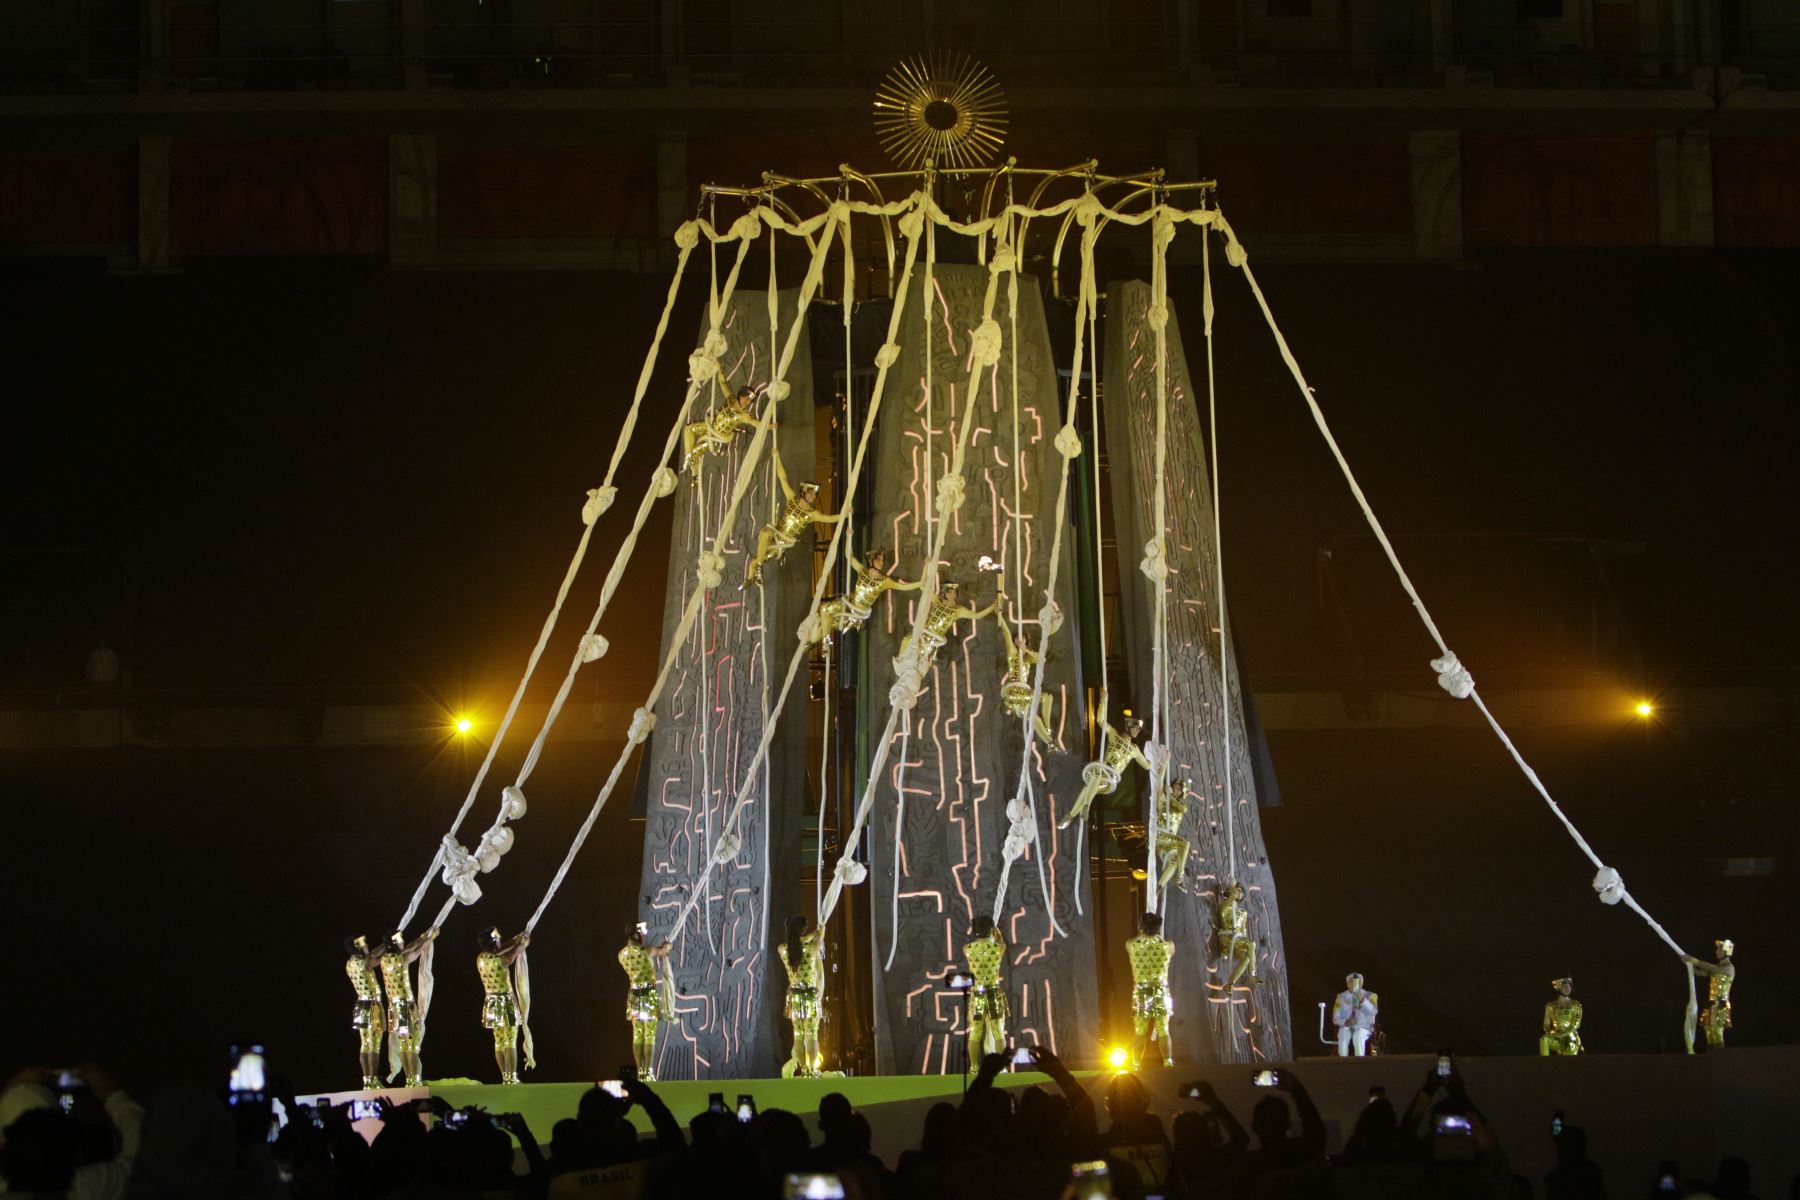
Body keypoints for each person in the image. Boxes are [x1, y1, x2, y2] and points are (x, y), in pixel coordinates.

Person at [741, 453, 843, 588]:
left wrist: (845, 514)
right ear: (804, 492)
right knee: (764, 534)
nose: (813, 496)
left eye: (815, 495)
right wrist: (776, 457)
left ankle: (753, 574)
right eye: (811, 493)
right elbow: (783, 478)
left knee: (753, 563)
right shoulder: (792, 500)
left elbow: (830, 519)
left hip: (782, 543)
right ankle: (756, 573)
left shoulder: (811, 514)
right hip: (775, 533)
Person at [808, 549, 921, 646]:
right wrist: (849, 535)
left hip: (856, 614)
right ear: (871, 560)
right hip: (848, 603)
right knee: (824, 609)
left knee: (830, 624)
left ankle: (814, 641)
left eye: (882, 560)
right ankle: (824, 641)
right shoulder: (863, 571)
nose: (881, 562)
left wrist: (921, 583)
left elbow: (903, 587)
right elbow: (849, 556)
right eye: (878, 559)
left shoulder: (884, 581)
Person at [1059, 716, 1148, 829]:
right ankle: (1083, 808)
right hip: (1100, 769)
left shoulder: (1134, 749)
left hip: (1109, 779)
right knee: (1093, 782)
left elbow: (1147, 766)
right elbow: (1100, 720)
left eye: (1139, 729)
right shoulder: (1115, 735)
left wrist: (1161, 761)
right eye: (1136, 727)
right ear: (1127, 726)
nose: (1138, 731)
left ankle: (1075, 813)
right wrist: (1103, 704)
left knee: (1088, 788)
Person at [893, 580, 1002, 670]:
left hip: (934, 640)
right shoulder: (937, 600)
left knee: (921, 661)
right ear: (944, 593)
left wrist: (993, 607)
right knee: (906, 641)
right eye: (949, 592)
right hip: (923, 633)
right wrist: (927, 568)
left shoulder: (958, 610)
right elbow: (924, 588)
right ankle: (899, 664)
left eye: (954, 592)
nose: (952, 595)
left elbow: (977, 615)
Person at [378, 929, 437, 1087]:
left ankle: (410, 1079)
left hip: (394, 1008)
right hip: (405, 1007)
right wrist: (430, 938)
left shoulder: (384, 960)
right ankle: (413, 1079)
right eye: (400, 940)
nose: (403, 942)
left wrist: (421, 937)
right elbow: (416, 951)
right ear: (395, 943)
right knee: (412, 1045)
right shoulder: (402, 959)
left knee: (404, 1046)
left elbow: (409, 947)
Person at [994, 605, 1058, 746]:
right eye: (1017, 638)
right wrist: (1000, 615)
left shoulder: (1028, 657)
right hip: (1013, 690)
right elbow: (1006, 632)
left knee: (1037, 715)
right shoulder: (1013, 653)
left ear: (1026, 640)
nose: (1019, 640)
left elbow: (1042, 659)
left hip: (1023, 693)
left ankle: (1049, 741)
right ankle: (1048, 734)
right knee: (1043, 698)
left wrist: (1026, 650)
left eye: (1022, 637)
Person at [475, 927, 530, 1084]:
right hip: (505, 1002)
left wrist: (514, 940)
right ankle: (512, 1077)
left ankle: (505, 1076)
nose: (500, 941)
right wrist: (522, 944)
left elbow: (500, 950)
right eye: (498, 940)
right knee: (510, 1040)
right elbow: (511, 955)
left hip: (491, 1003)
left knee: (498, 1041)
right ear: (493, 942)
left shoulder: (481, 958)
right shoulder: (500, 961)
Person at [618, 923, 671, 1082]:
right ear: (636, 935)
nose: (644, 935)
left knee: (637, 1034)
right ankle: (648, 1071)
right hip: (648, 995)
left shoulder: (621, 955)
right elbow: (663, 951)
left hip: (634, 995)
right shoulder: (648, 951)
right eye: (642, 933)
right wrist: (667, 946)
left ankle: (640, 1071)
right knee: (649, 1035)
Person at [1125, 911, 1175, 1070]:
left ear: (1141, 926)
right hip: (1161, 990)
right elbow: (1170, 948)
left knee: (1140, 1031)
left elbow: (1132, 943)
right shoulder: (1168, 945)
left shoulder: (1131, 945)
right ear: (1158, 928)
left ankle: (1136, 1065)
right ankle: (1168, 1062)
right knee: (1164, 1030)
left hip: (1141, 990)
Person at [778, 915, 825, 1077]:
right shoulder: (811, 948)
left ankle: (803, 1069)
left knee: (798, 1034)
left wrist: (805, 937)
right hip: (810, 995)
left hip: (794, 997)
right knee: (812, 1033)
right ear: (803, 930)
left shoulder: (784, 950)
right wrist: (819, 932)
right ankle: (811, 1070)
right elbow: (819, 938)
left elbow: (793, 944)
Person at [680, 384, 762, 478]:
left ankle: (695, 474)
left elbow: (756, 423)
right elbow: (723, 384)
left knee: (693, 454)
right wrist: (717, 374)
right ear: (741, 396)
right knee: (688, 429)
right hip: (711, 426)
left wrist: (770, 426)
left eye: (751, 401)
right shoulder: (730, 399)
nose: (749, 402)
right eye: (747, 399)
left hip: (717, 440)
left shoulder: (744, 415)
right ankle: (689, 458)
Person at [962, 916, 1008, 1062]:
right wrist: (997, 935)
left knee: (975, 1033)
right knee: (998, 1032)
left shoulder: (967, 949)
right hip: (993, 993)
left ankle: (974, 1068)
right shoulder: (999, 948)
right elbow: (1000, 942)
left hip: (977, 994)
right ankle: (1002, 1067)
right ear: (991, 929)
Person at [343, 935, 385, 1089]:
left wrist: (383, 944)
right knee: (374, 1045)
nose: (367, 945)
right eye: (364, 944)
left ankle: (367, 1081)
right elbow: (375, 958)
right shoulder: (365, 963)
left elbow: (371, 954)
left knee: (365, 1044)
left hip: (361, 1004)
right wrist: (387, 945)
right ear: (357, 947)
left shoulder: (349, 963)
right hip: (372, 1006)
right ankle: (373, 1080)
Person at [1684, 939, 1736, 1049]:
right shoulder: (1717, 968)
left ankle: (1720, 1056)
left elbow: (1710, 967)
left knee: (1716, 1031)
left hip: (1721, 1004)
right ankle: (1711, 1056)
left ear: (1725, 951)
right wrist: (1688, 965)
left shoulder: (1729, 968)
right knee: (1709, 1031)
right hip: (1712, 1003)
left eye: (1719, 949)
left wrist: (1692, 959)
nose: (1716, 951)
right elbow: (1700, 972)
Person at [1213, 881, 1261, 987]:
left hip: (1237, 940)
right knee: (1252, 944)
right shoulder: (1225, 907)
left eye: (1241, 892)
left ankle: (1229, 984)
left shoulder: (1243, 913)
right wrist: (1233, 892)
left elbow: (1243, 931)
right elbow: (1225, 908)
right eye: (1238, 890)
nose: (1239, 893)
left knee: (1247, 958)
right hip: (1226, 938)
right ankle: (1252, 974)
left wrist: (1244, 942)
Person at [1153, 776, 1192, 894]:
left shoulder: (1180, 806)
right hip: (1161, 835)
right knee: (1185, 843)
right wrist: (1167, 794)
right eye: (1177, 786)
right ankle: (1180, 876)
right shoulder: (1164, 798)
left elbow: (1183, 810)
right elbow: (1160, 782)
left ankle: (1159, 886)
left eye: (1180, 790)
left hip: (1170, 840)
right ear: (1172, 785)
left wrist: (1171, 796)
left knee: (1174, 862)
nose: (1177, 790)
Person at [1333, 973, 1378, 1057]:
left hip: (1363, 1027)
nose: (1354, 984)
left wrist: (1363, 1000)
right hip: (1347, 1026)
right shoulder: (1341, 997)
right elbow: (1335, 1018)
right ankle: (1342, 1061)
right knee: (1343, 1033)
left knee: (1358, 1035)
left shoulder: (1371, 995)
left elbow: (1374, 1011)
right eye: (1351, 982)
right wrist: (1346, 1022)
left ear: (1362, 983)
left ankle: (1359, 1061)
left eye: (1357, 981)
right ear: (1347, 984)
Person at [1540, 976, 1584, 1056]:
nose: (1567, 988)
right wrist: (1550, 1033)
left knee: (1570, 1047)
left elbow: (1576, 1024)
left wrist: (1562, 1035)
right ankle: (1544, 1062)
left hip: (1569, 1037)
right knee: (1544, 1040)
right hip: (1556, 1036)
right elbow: (1546, 1024)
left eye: (1569, 986)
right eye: (1564, 987)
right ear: (1558, 989)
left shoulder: (1576, 1005)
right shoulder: (1550, 1006)